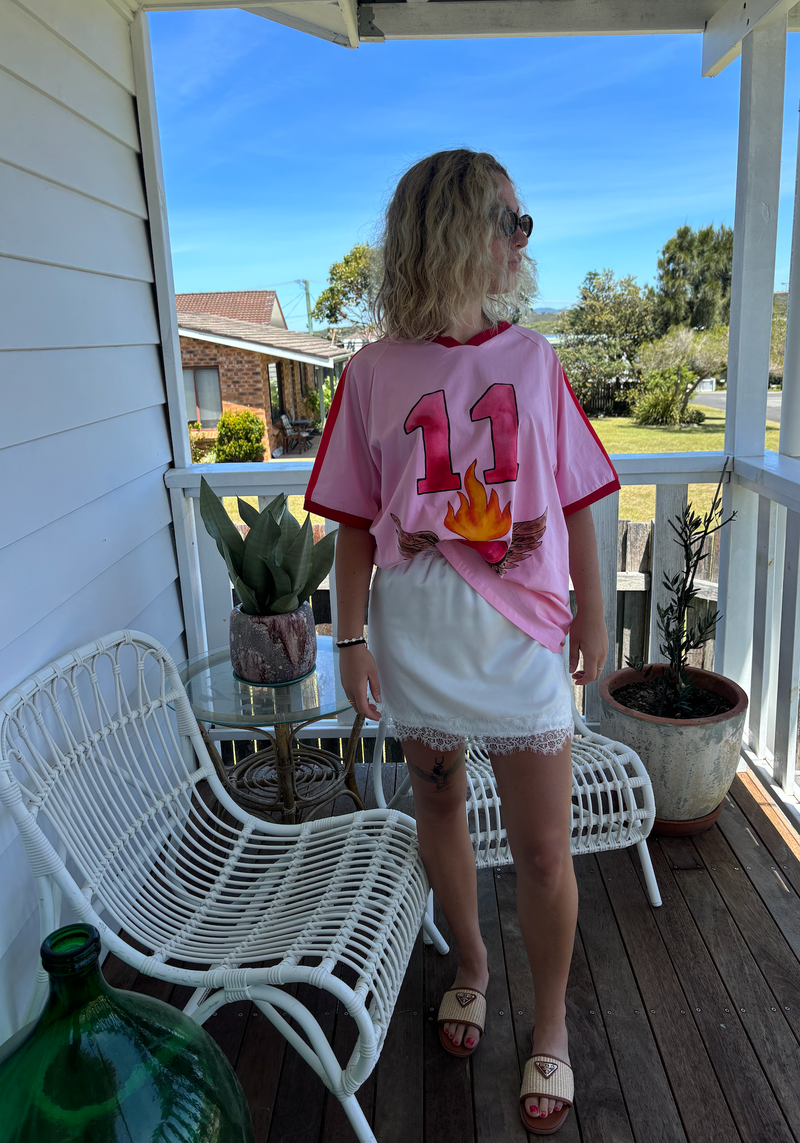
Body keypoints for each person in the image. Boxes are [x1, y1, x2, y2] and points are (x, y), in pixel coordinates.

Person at [304, 148, 619, 1135]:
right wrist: (348, 639)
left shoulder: (533, 361)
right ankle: (472, 965)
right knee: (435, 802)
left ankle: (553, 1025)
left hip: (522, 637)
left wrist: (595, 613)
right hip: (416, 634)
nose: (522, 242)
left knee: (538, 846)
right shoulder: (369, 374)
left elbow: (572, 499)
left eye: (524, 223)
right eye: (509, 221)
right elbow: (355, 523)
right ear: (453, 230)